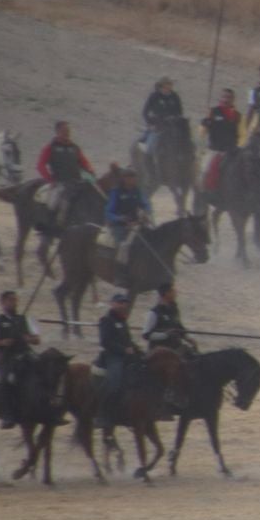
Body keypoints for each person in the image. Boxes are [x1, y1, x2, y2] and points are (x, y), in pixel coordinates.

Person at [0, 288, 41, 428]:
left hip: (25, 355)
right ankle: (7, 415)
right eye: (11, 300)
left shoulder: (24, 319)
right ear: (3, 303)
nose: (15, 303)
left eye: (16, 300)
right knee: (4, 380)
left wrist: (29, 339)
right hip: (6, 358)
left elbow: (37, 340)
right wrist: (2, 343)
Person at [36, 120, 94, 233]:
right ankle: (52, 226)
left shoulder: (75, 148)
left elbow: (84, 162)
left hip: (76, 182)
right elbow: (40, 165)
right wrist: (50, 179)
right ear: (57, 132)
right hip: (60, 182)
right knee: (54, 203)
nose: (67, 133)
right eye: (64, 131)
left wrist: (90, 171)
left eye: (68, 131)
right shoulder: (50, 148)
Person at [94, 291, 141, 430]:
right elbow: (105, 342)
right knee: (114, 383)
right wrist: (123, 350)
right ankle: (102, 415)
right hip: (112, 357)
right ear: (113, 304)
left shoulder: (123, 320)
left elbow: (128, 340)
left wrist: (135, 348)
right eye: (120, 302)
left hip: (127, 356)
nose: (123, 305)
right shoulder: (106, 320)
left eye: (124, 303)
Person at [104, 166, 152, 262]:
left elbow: (146, 204)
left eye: (134, 176)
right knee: (122, 247)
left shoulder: (137, 191)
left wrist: (146, 212)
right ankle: (120, 272)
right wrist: (119, 218)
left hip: (136, 224)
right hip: (120, 227)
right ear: (124, 178)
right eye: (130, 176)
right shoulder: (116, 192)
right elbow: (108, 212)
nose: (133, 179)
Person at [200, 87, 241, 195]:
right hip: (214, 149)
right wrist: (205, 123)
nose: (226, 99)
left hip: (231, 151)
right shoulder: (213, 112)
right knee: (205, 170)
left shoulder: (237, 115)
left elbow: (243, 134)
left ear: (233, 100)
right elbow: (202, 132)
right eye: (224, 97)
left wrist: (238, 147)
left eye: (229, 97)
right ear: (220, 98)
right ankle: (202, 192)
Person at [144, 282, 193, 356]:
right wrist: (165, 335)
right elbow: (146, 335)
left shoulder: (174, 310)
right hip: (160, 353)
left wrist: (189, 339)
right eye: (173, 291)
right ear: (167, 293)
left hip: (176, 349)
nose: (176, 293)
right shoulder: (154, 313)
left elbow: (179, 328)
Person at [140, 77, 184, 156]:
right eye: (166, 86)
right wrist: (151, 124)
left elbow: (180, 112)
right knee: (149, 148)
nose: (168, 88)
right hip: (158, 126)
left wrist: (176, 119)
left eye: (170, 85)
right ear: (161, 86)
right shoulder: (154, 96)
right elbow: (145, 112)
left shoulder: (175, 96)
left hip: (172, 126)